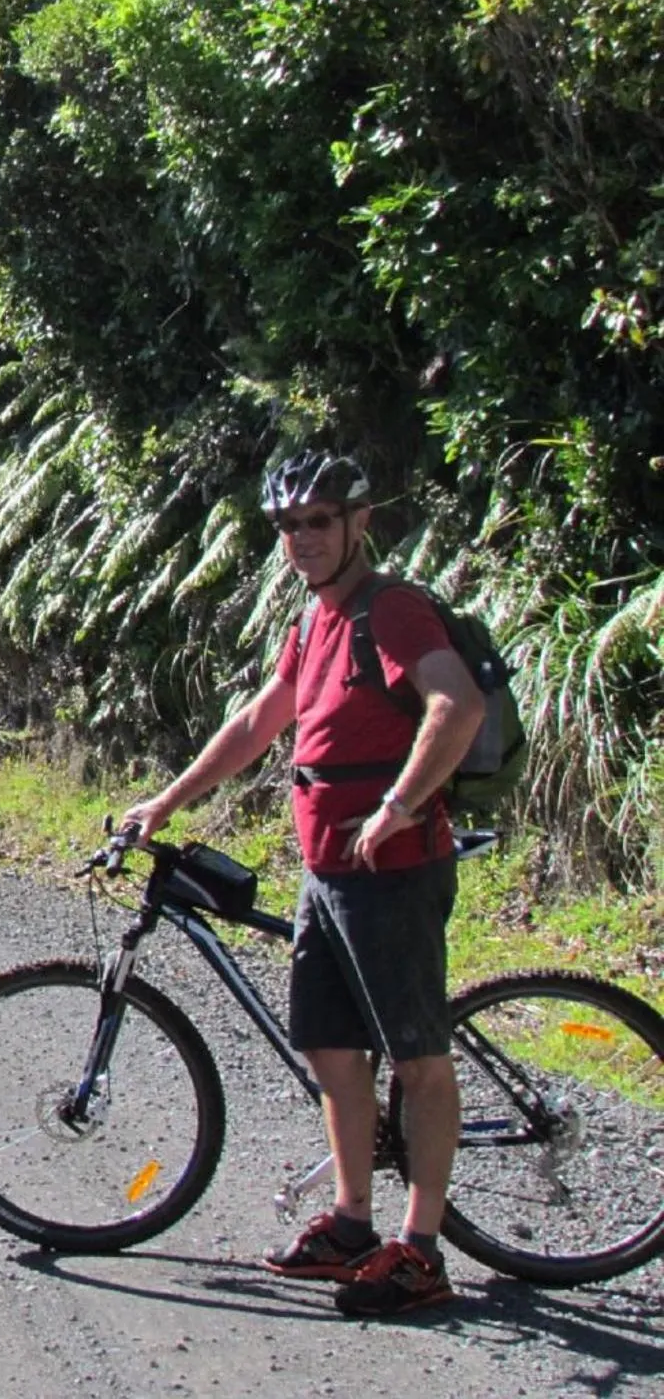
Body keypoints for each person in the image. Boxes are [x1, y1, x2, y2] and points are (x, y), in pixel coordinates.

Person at [122, 451, 485, 1318]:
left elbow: (457, 704)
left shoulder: (391, 610)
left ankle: (421, 1250)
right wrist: (168, 801)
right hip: (329, 871)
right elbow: (259, 720)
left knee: (417, 1059)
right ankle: (354, 1225)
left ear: (359, 524)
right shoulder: (317, 618)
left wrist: (400, 804)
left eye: (318, 521)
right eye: (288, 526)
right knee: (330, 1051)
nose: (302, 539)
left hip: (391, 872)